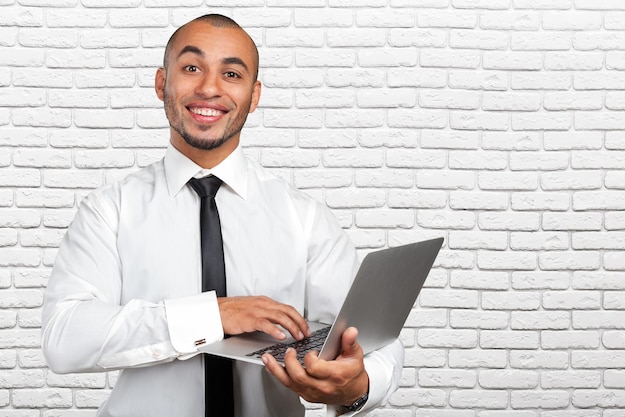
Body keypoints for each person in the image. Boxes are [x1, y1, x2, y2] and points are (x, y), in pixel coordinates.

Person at [41, 14, 403, 417]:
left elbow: (371, 339)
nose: (209, 88)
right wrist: (213, 315)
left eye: (231, 73)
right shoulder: (110, 210)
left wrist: (357, 386)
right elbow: (65, 337)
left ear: (254, 95)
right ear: (162, 82)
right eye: (191, 68)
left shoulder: (305, 218)